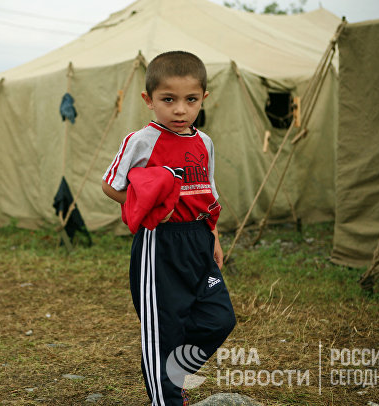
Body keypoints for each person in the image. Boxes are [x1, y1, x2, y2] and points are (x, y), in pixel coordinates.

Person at [101, 51, 236, 405]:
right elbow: (111, 184)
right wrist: (146, 209)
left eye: (190, 100)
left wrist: (215, 238)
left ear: (203, 99)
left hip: (199, 240)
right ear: (149, 100)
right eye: (168, 99)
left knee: (219, 318)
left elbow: (207, 193)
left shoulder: (203, 142)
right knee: (163, 331)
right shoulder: (141, 140)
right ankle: (167, 394)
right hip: (159, 244)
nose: (180, 109)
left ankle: (173, 368)